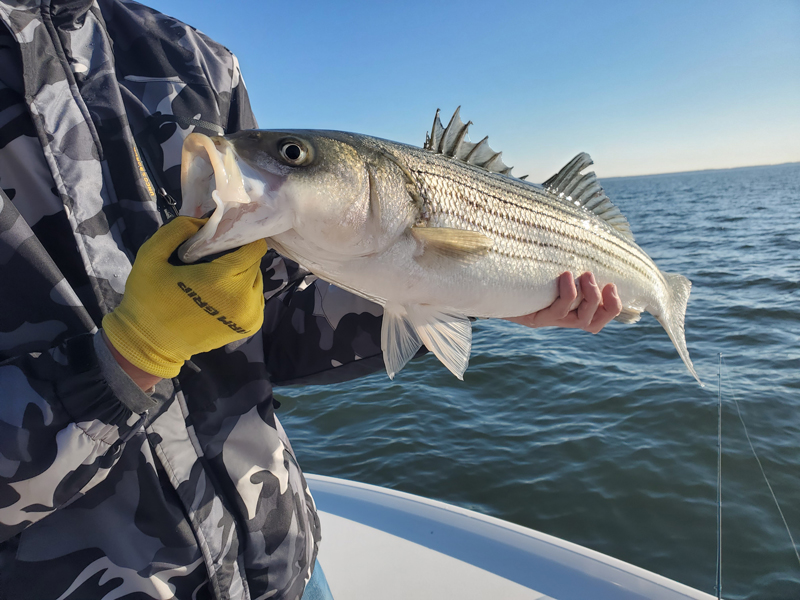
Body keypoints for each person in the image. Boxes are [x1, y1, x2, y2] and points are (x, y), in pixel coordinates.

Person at [0, 1, 622, 599]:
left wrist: (469, 291)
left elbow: (270, 325)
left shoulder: (189, 57)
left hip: (283, 563)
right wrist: (126, 361)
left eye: (291, 156)